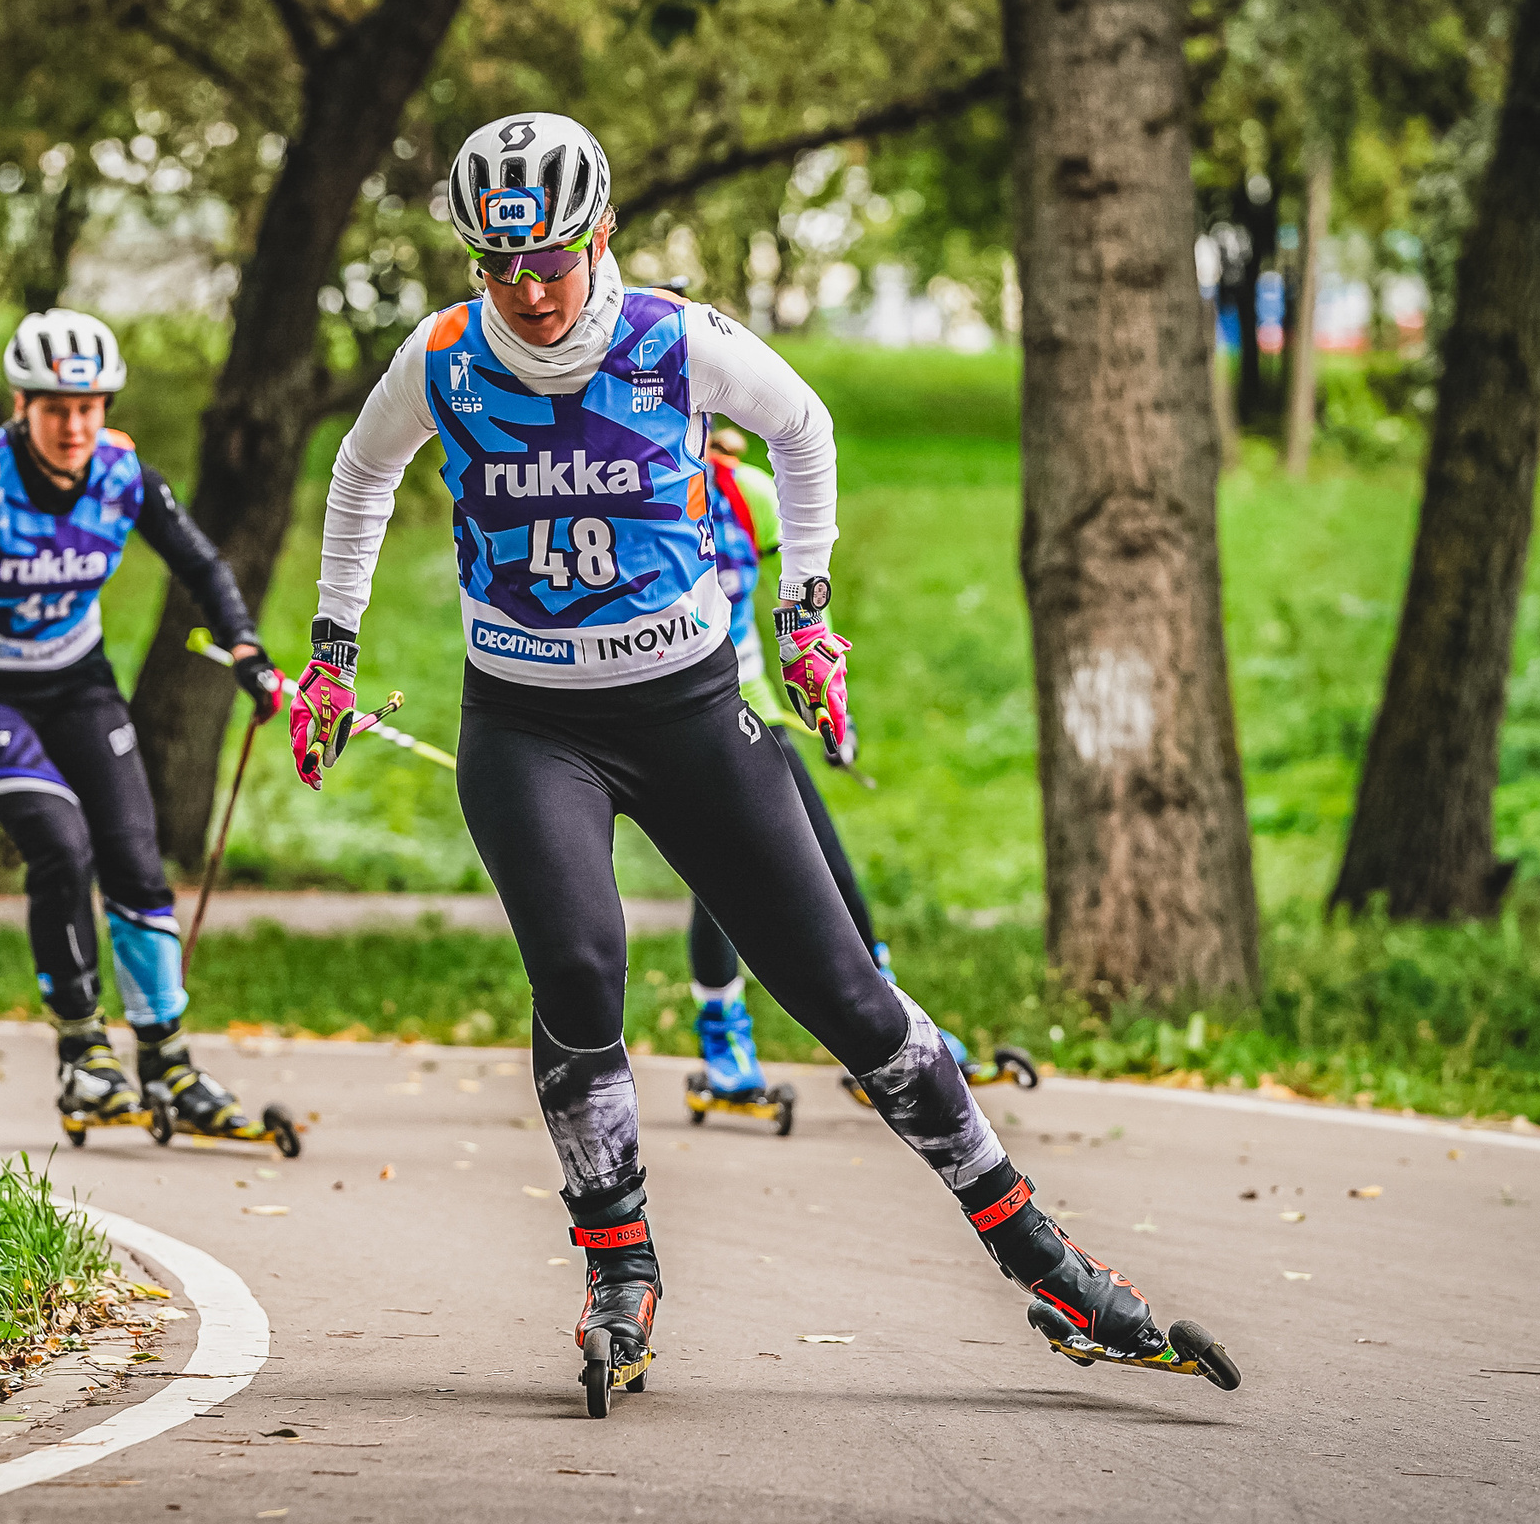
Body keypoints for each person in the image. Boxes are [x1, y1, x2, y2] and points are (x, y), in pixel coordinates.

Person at [287, 113, 1177, 1406]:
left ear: (601, 237)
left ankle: (1036, 1249)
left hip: (693, 711)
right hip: (528, 724)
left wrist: (807, 617)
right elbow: (360, 475)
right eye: (499, 265)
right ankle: (617, 1265)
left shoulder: (670, 340)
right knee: (582, 970)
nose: (530, 292)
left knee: (849, 995)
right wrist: (333, 646)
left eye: (551, 260)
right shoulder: (442, 357)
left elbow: (804, 428)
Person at [0, 309, 283, 1138]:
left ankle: (168, 1062)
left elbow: (202, 565)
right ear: (23, 404)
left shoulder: (125, 474)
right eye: (56, 408)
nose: (75, 425)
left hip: (74, 678)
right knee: (60, 840)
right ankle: (84, 1056)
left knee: (131, 851)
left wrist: (248, 651)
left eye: (89, 407)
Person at [688, 430, 978, 1107]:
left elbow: (798, 601)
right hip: (674, 714)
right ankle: (724, 1037)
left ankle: (884, 1018)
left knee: (821, 851)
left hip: (751, 701)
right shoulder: (636, 496)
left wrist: (826, 705)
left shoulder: (744, 494)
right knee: (716, 871)